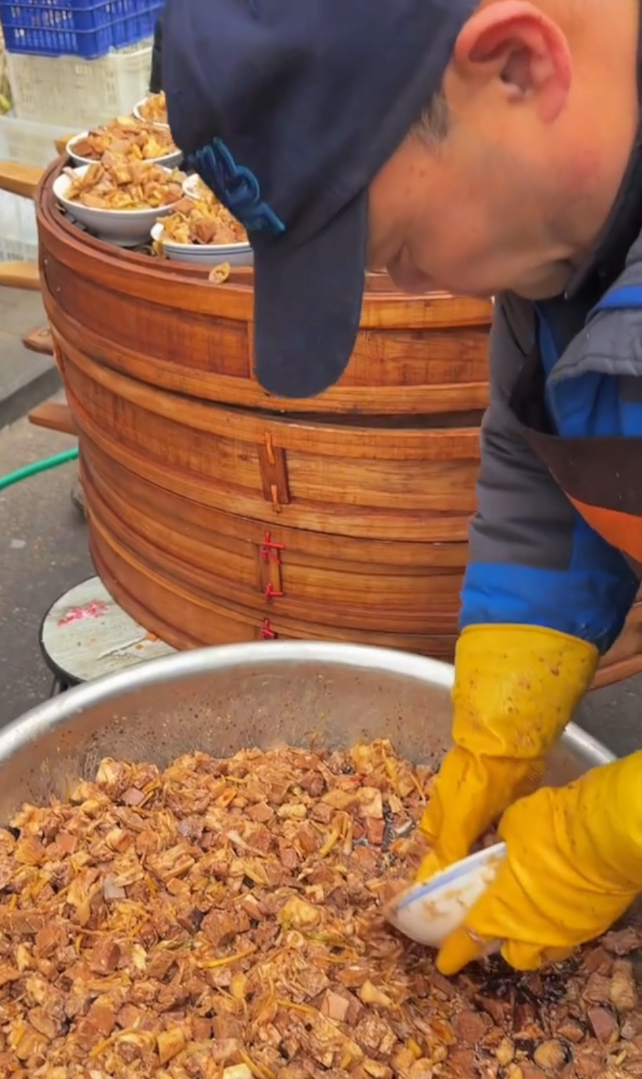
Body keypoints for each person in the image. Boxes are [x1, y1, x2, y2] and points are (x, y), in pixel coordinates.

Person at [162, 0, 642, 976]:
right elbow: (554, 436)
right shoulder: (557, 250)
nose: (415, 290)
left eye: (399, 251)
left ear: (517, 65)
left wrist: (611, 834)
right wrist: (513, 685)